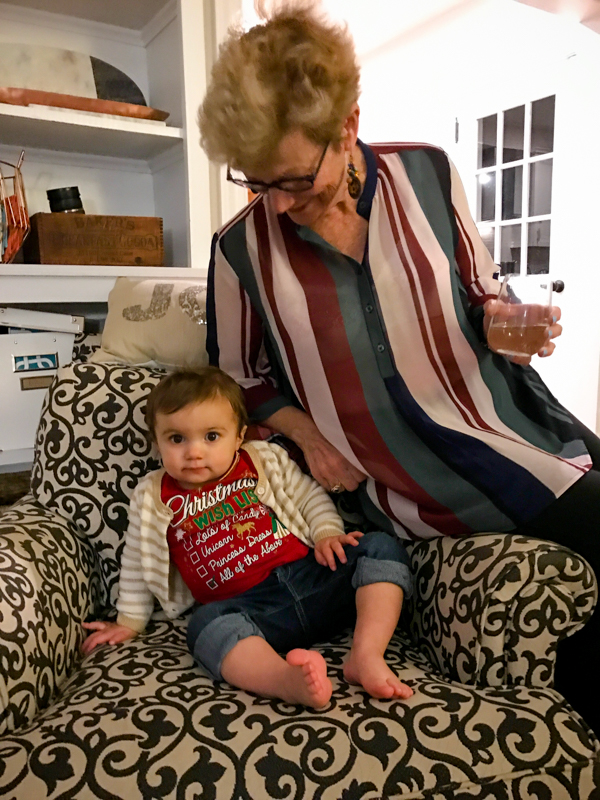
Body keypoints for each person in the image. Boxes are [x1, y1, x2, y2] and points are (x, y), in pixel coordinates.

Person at [198, 1, 600, 732]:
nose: (277, 206)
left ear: (347, 124)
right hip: (404, 489)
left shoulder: (428, 174)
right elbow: (238, 378)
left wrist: (507, 323)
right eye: (256, 182)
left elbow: (481, 294)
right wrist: (310, 437)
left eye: (294, 179)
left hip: (510, 431)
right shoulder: (238, 252)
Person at [82, 367, 414, 708]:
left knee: (377, 547)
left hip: (312, 579)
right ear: (156, 442)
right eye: (176, 439)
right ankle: (285, 680)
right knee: (204, 626)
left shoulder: (262, 460)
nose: (194, 452)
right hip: (251, 612)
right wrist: (129, 621)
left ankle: (366, 654)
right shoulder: (151, 496)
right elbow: (137, 559)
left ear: (239, 436)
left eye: (211, 436)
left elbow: (309, 497)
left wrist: (327, 533)